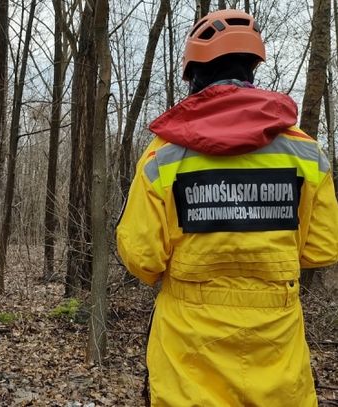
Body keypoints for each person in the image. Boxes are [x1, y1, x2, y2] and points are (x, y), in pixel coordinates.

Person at [116, 8, 338, 407]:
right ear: (252, 69)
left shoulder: (164, 156)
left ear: (195, 77)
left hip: (187, 356)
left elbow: (142, 256)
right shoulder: (305, 150)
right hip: (277, 349)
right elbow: (323, 249)